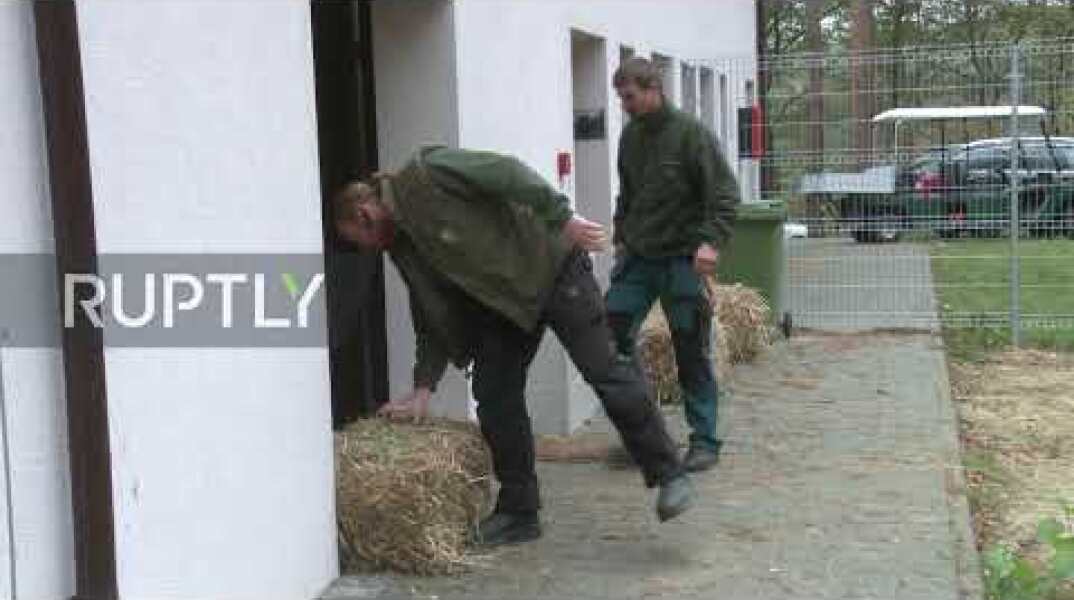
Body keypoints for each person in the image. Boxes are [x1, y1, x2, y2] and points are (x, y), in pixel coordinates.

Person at [333, 146, 694, 546]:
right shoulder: (401, 247)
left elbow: (505, 172)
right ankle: (519, 511)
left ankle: (668, 472)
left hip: (552, 269)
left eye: (364, 240)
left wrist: (563, 217)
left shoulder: (427, 172)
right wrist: (424, 387)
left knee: (602, 369)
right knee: (494, 393)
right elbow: (430, 313)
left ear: (365, 214)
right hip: (504, 305)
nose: (372, 249)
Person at [608, 57, 740, 473]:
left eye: (628, 97)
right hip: (640, 258)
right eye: (620, 98)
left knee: (690, 348)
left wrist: (711, 243)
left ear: (652, 89)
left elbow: (724, 195)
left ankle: (704, 441)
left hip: (682, 259)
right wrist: (620, 234)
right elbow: (626, 195)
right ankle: (648, 434)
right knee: (609, 333)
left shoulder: (691, 135)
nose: (624, 105)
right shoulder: (629, 139)